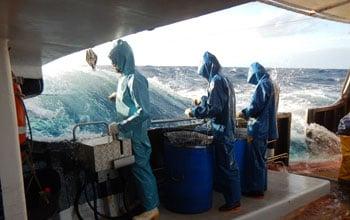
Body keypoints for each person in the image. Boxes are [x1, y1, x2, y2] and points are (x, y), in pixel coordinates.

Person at [108, 40, 160, 220]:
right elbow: (130, 99)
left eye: (115, 61)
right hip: (129, 135)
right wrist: (117, 97)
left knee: (142, 170)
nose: (113, 65)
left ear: (124, 59)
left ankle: (152, 209)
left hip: (136, 134)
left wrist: (120, 126)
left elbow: (143, 112)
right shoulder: (124, 78)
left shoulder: (135, 79)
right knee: (137, 172)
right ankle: (147, 203)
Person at [185, 51, 241, 212]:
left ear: (207, 66)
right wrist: (201, 100)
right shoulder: (225, 79)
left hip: (222, 130)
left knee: (227, 166)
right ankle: (232, 196)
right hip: (228, 128)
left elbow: (214, 108)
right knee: (229, 164)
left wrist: (194, 112)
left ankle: (234, 201)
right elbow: (217, 102)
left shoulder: (216, 81)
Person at [238, 62, 278, 197]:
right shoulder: (269, 83)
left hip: (257, 128)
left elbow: (255, 106)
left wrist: (244, 113)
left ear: (255, 73)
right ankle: (262, 186)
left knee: (255, 160)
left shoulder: (263, 84)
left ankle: (256, 190)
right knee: (261, 159)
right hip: (265, 128)